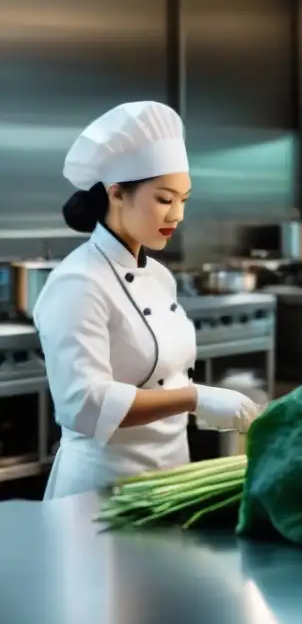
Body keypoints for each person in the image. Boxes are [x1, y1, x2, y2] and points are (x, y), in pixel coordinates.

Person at [34, 101, 261, 500]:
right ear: (117, 193)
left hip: (171, 482)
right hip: (101, 489)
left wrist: (212, 408)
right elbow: (84, 406)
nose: (177, 215)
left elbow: (167, 378)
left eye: (184, 200)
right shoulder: (77, 281)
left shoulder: (159, 276)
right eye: (164, 199)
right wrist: (196, 399)